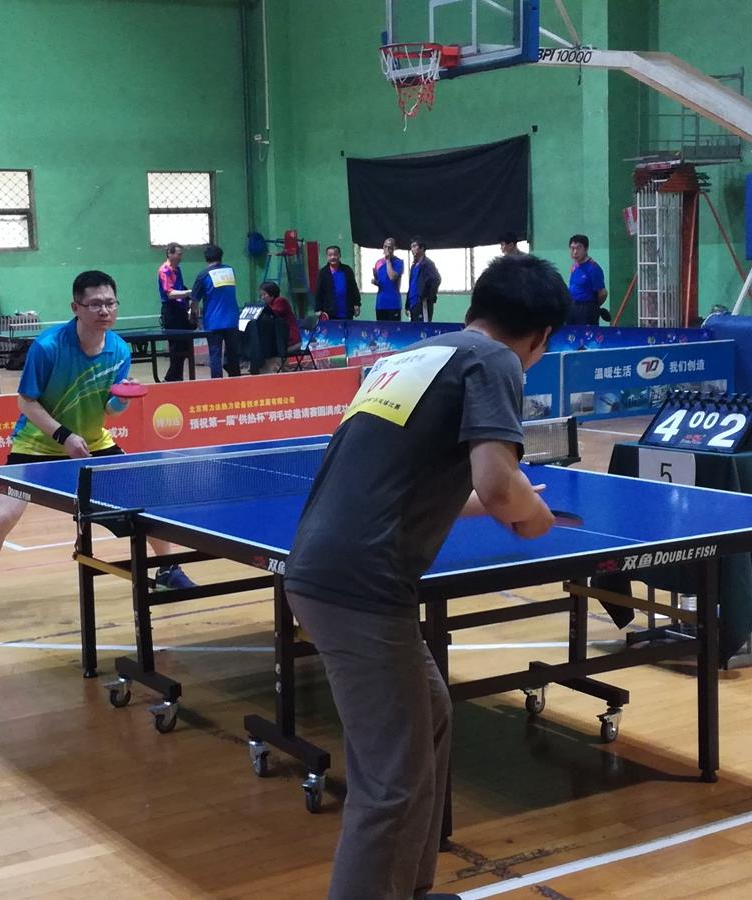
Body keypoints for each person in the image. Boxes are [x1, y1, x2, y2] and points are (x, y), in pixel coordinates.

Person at [283, 253, 572, 900]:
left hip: (324, 568)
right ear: (541, 336)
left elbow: (410, 484)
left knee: (431, 715)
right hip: (362, 585)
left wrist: (503, 502)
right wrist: (529, 515)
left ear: (475, 306)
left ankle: (410, 889)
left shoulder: (414, 356)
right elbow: (497, 483)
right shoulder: (496, 361)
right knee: (389, 782)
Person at [0, 270, 195, 625]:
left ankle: (167, 568)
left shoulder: (119, 349)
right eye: (94, 304)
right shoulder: (48, 347)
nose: (104, 310)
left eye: (110, 303)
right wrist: (63, 436)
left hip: (93, 442)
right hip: (36, 444)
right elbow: (26, 401)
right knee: (4, 516)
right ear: (75, 307)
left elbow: (109, 409)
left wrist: (122, 399)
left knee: (143, 501)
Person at [189, 244, 241, 378]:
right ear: (221, 256)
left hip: (213, 321)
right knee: (233, 354)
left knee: (215, 355)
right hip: (232, 319)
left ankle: (217, 384)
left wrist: (192, 315)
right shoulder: (230, 271)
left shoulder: (203, 275)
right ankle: (236, 381)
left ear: (206, 258)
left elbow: (194, 300)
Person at [157, 242, 196, 382]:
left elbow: (180, 287)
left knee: (184, 345)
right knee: (176, 346)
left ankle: (175, 376)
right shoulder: (164, 270)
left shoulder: (177, 270)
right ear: (170, 254)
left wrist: (189, 300)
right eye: (178, 254)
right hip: (171, 311)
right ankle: (172, 378)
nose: (180, 257)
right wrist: (190, 292)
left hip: (180, 310)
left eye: (181, 254)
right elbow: (170, 293)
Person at [566, 234, 608, 326]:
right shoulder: (575, 266)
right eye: (572, 248)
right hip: (572, 308)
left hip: (586, 310)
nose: (575, 252)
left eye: (578, 248)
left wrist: (593, 307)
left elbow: (603, 293)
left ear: (586, 249)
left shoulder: (593, 268)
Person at [313, 245, 360, 320]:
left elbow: (354, 288)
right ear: (327, 257)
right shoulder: (323, 273)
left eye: (335, 254)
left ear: (339, 255)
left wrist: (357, 304)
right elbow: (319, 291)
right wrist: (318, 309)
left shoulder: (347, 270)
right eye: (330, 255)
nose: (333, 257)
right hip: (329, 313)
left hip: (347, 312)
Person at [406, 236, 442, 323]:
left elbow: (437, 279)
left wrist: (427, 296)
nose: (412, 249)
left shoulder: (427, 264)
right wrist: (407, 304)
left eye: (414, 246)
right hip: (413, 305)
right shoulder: (414, 266)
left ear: (422, 248)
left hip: (422, 304)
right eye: (411, 247)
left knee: (423, 328)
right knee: (414, 329)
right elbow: (411, 286)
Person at [371, 237, 404, 321]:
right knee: (380, 328)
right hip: (381, 303)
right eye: (385, 247)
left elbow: (392, 277)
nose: (387, 249)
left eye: (390, 247)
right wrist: (376, 282)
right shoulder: (378, 263)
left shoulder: (399, 262)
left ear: (394, 248)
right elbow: (381, 282)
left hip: (393, 303)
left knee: (394, 328)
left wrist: (388, 260)